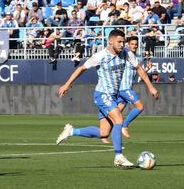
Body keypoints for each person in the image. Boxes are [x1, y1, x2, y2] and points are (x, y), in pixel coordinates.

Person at [56, 30, 158, 167]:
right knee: (119, 119)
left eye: (123, 42)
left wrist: (150, 87)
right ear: (111, 41)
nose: (122, 45)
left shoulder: (126, 54)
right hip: (102, 94)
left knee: (103, 133)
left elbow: (139, 68)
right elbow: (81, 69)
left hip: (113, 96)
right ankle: (118, 156)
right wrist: (67, 85)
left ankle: (72, 131)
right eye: (119, 42)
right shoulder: (101, 56)